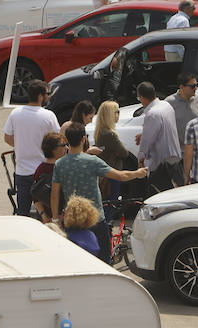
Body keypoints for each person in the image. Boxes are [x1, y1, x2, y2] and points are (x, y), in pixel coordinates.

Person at [51, 122, 147, 263]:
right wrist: (138, 173)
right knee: (104, 259)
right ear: (84, 139)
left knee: (75, 260)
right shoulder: (93, 161)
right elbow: (121, 176)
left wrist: (55, 219)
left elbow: (54, 195)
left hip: (72, 218)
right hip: (94, 217)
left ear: (66, 140)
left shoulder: (60, 164)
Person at [3, 79, 61, 215]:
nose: (48, 96)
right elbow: (57, 140)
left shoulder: (15, 114)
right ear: (40, 96)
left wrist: (22, 145)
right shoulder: (48, 116)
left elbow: (7, 138)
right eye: (47, 93)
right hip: (44, 172)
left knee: (23, 211)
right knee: (47, 211)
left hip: (22, 171)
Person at [136, 82, 183, 193]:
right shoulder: (166, 105)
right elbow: (162, 129)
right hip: (174, 159)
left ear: (142, 97)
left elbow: (147, 142)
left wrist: (141, 159)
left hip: (160, 165)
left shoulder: (153, 114)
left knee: (159, 197)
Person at [93, 100, 129, 213]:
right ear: (110, 114)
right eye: (116, 112)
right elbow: (124, 153)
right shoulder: (110, 134)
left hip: (105, 173)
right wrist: (117, 152)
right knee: (110, 204)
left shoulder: (101, 131)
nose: (118, 114)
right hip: (112, 174)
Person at [32, 132, 68, 222]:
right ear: (54, 149)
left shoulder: (40, 169)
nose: (67, 148)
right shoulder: (64, 168)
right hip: (64, 219)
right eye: (63, 145)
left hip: (47, 219)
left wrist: (44, 216)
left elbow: (35, 197)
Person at [164, 72, 198, 147]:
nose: (196, 88)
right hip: (178, 152)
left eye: (197, 85)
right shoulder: (169, 103)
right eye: (192, 86)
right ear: (181, 87)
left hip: (197, 150)